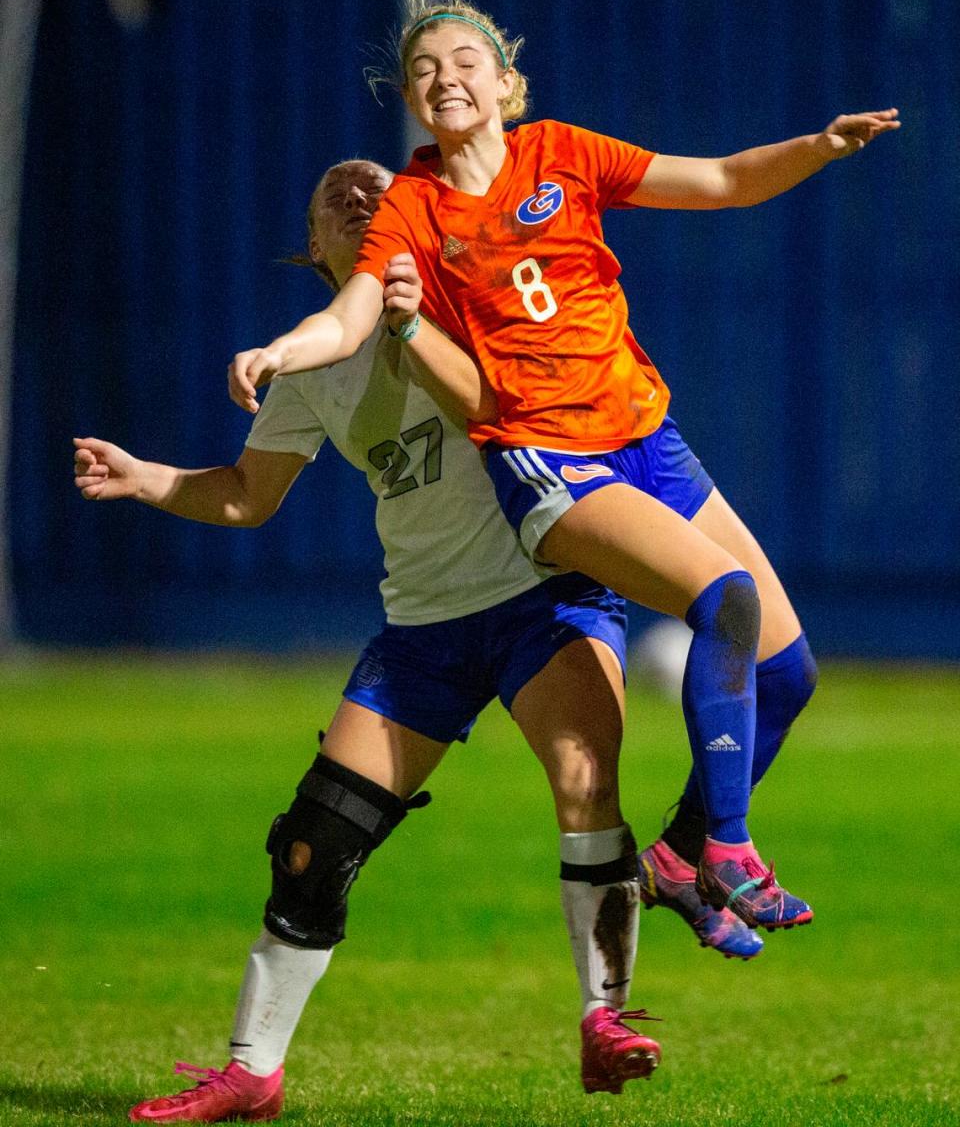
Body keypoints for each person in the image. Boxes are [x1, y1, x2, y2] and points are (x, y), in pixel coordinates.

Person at [228, 0, 901, 962]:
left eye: (465, 60)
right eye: (424, 69)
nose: (444, 77)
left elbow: (718, 181)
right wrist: (282, 349)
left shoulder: (562, 153)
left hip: (648, 439)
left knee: (788, 671)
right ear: (413, 102)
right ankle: (730, 848)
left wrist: (819, 146)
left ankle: (676, 859)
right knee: (728, 601)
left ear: (506, 83)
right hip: (554, 462)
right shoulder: (411, 205)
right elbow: (350, 316)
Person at [75, 157, 681, 1121]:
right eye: (332, 199)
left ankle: (606, 1017)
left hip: (544, 594)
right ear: (312, 247)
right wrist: (145, 476)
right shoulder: (309, 364)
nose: (357, 198)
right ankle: (252, 1073)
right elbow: (246, 494)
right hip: (424, 627)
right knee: (314, 845)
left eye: (373, 189)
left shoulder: (467, 291)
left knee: (584, 787)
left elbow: (527, 385)